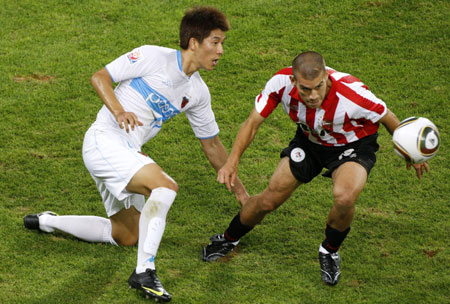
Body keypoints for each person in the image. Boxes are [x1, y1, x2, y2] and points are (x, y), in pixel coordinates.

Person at [23, 6, 248, 302]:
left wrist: (243, 195)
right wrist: (119, 112)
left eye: (222, 43)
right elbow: (100, 77)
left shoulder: (197, 92)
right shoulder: (153, 56)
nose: (220, 51)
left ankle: (48, 221)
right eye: (215, 42)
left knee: (127, 235)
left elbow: (212, 144)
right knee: (165, 186)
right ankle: (145, 272)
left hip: (125, 152)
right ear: (194, 42)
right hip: (103, 140)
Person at [201, 51, 429, 286]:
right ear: (293, 81)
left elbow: (388, 117)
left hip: (353, 146)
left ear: (327, 78)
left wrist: (413, 152)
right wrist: (232, 161)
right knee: (269, 200)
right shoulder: (280, 84)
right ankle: (229, 238)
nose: (312, 95)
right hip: (310, 142)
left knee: (345, 197)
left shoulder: (353, 94)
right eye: (305, 89)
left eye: (318, 87)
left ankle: (329, 250)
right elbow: (251, 124)